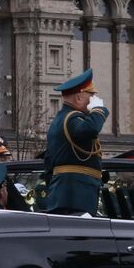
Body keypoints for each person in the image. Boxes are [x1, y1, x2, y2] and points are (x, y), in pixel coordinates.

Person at [43, 69, 109, 214]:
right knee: (78, 235)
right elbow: (90, 129)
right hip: (75, 195)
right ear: (79, 98)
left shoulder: (62, 120)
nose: (94, 99)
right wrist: (99, 110)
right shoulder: (72, 118)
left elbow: (48, 162)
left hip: (67, 193)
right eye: (91, 96)